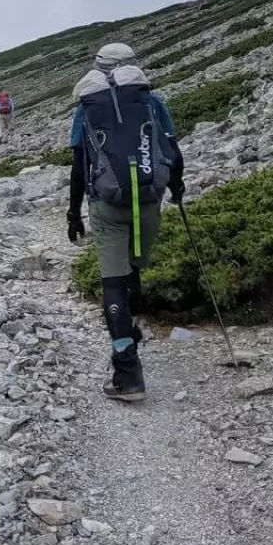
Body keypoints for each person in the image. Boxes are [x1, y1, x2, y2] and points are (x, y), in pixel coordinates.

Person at [66, 43, 184, 402]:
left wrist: (74, 213)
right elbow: (173, 154)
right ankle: (130, 331)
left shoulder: (88, 108)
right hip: (148, 200)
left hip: (107, 205)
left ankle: (127, 371)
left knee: (113, 282)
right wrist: (176, 189)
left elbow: (79, 167)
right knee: (133, 270)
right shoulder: (151, 102)